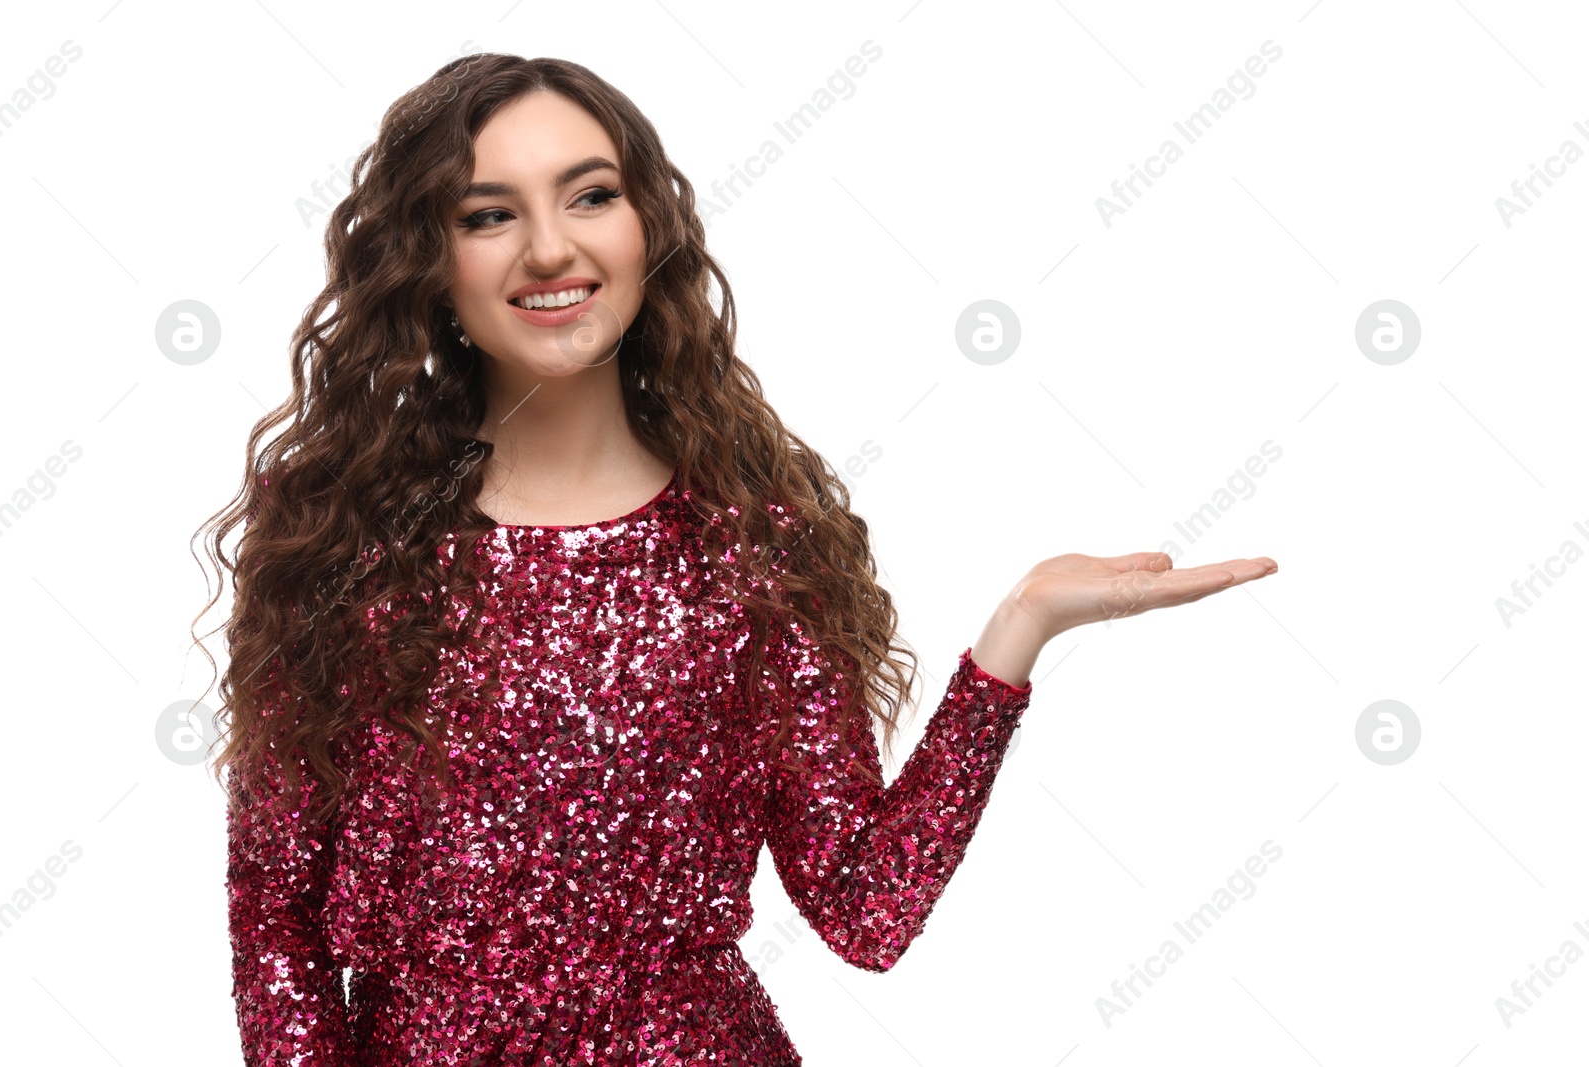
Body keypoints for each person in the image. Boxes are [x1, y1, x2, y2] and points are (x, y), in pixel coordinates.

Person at [193, 53, 1277, 1066]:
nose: (550, 249)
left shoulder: (754, 543)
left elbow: (867, 911)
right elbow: (274, 929)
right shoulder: (345, 534)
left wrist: (1018, 631)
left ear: (646, 228)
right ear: (429, 263)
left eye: (589, 195)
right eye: (489, 214)